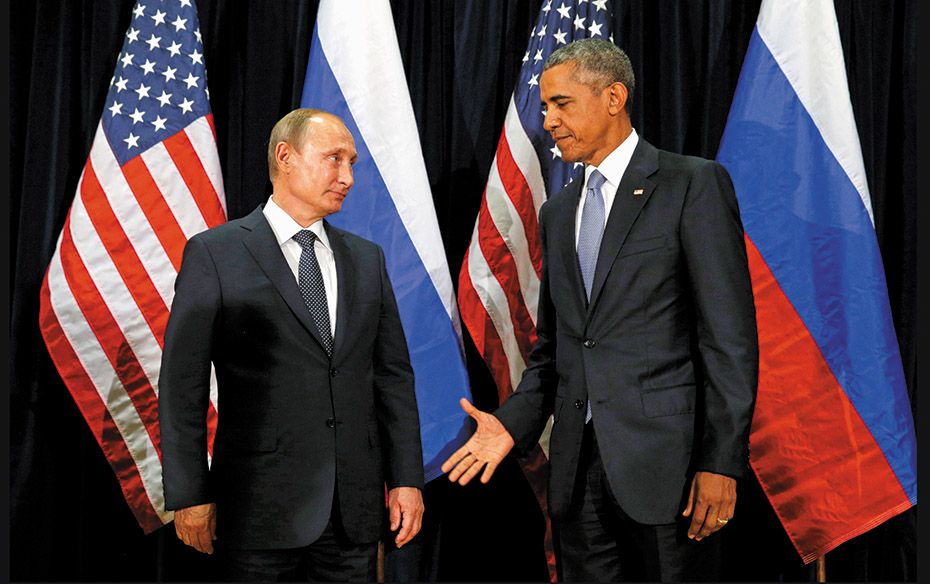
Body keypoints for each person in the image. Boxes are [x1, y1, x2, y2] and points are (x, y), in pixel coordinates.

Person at [442, 39, 758, 582]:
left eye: (561, 104)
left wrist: (719, 463)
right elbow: (555, 351)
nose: (548, 121)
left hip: (671, 474)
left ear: (614, 97)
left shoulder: (691, 185)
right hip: (577, 475)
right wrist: (510, 425)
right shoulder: (559, 212)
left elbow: (728, 341)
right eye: (544, 108)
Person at [159, 108, 425, 581]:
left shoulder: (366, 260)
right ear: (285, 156)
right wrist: (189, 493)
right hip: (258, 511)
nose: (347, 176)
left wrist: (406, 479)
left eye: (352, 164)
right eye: (334, 159)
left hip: (353, 515)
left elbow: (393, 379)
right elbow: (183, 387)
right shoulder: (215, 254)